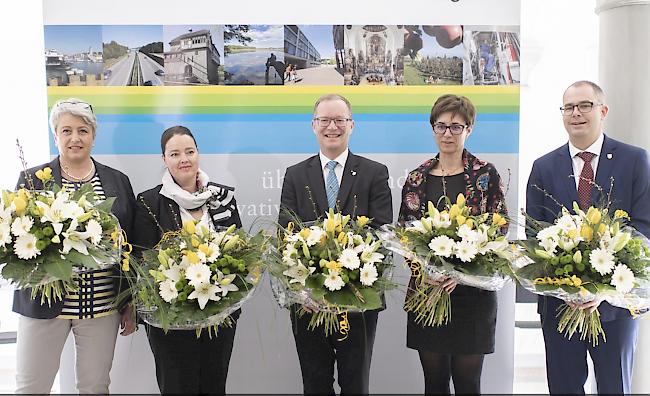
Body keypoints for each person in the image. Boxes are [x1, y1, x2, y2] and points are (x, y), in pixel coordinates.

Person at [526, 80, 650, 394]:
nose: (576, 113)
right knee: (564, 387)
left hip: (616, 308)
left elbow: (644, 227)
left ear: (602, 111)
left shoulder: (634, 160)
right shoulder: (543, 166)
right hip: (559, 305)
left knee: (614, 387)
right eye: (569, 107)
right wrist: (566, 285)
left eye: (585, 105)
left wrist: (603, 287)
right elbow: (534, 234)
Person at [14, 98, 137, 394]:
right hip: (43, 302)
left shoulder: (118, 182)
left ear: (93, 136)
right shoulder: (32, 181)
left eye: (82, 130)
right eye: (66, 131)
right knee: (31, 387)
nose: (75, 138)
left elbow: (131, 245)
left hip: (102, 305)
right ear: (55, 136)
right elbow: (17, 236)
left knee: (95, 387)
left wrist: (130, 300)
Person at [279, 93, 392, 394]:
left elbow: (382, 233)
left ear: (352, 125)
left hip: (360, 297)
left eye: (339, 120)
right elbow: (285, 232)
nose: (332, 127)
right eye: (325, 120)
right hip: (308, 304)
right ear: (313, 125)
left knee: (355, 384)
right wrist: (305, 288)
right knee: (315, 383)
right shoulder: (295, 175)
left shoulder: (374, 172)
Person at [398, 94, 507, 394]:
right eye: (441, 126)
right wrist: (431, 273)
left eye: (456, 127)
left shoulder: (485, 173)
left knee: (468, 384)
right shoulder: (417, 178)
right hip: (429, 293)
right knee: (434, 384)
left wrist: (458, 273)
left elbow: (499, 229)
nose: (447, 133)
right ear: (432, 128)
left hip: (474, 296)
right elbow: (405, 235)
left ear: (469, 129)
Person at [132, 125, 242, 394]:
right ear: (164, 160)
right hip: (170, 320)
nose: (184, 159)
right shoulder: (149, 202)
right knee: (177, 387)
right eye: (175, 153)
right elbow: (142, 261)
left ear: (198, 154)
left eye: (190, 151)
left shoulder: (221, 198)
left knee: (214, 386)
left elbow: (240, 250)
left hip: (219, 315)